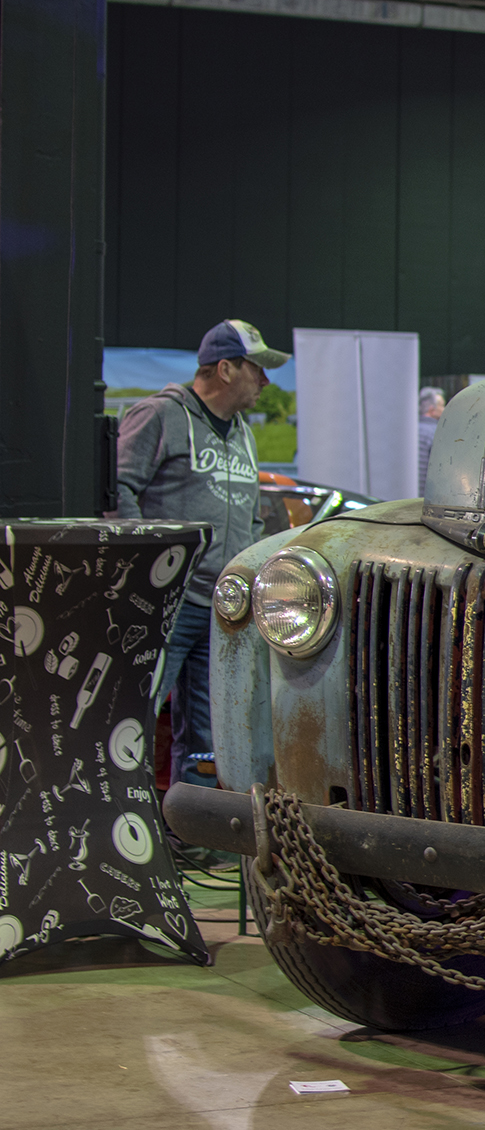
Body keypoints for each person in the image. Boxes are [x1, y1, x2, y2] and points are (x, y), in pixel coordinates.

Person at [115, 319, 291, 790]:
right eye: (258, 369)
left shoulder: (243, 434)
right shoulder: (160, 416)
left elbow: (253, 518)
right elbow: (119, 488)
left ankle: (189, 834)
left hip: (220, 610)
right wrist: (149, 572)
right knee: (132, 715)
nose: (266, 381)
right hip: (165, 605)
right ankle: (127, 826)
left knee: (207, 730)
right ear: (226, 369)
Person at [418, 386, 446, 492]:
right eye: (442, 406)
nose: (444, 410)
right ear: (432, 410)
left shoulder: (408, 431)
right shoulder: (438, 432)